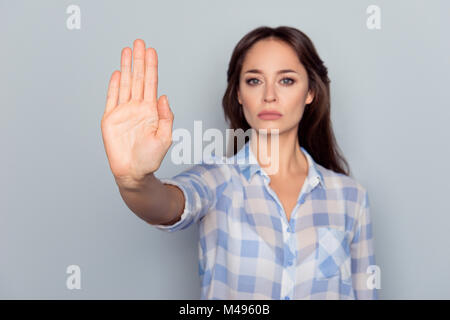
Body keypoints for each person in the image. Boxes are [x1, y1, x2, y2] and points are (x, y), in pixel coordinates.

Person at [100, 25, 378, 300]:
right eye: (254, 81)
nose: (269, 95)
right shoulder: (218, 179)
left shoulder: (350, 197)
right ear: (238, 94)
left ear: (310, 93)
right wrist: (134, 182)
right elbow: (167, 204)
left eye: (287, 80)